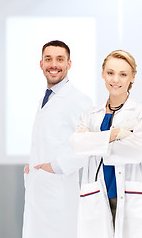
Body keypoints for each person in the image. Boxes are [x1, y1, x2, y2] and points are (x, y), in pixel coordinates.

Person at [70, 50, 142, 238]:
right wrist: (117, 134)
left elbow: (136, 151)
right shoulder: (89, 115)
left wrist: (93, 141)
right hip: (97, 193)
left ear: (132, 77)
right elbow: (77, 145)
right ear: (102, 73)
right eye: (110, 73)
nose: (115, 79)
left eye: (123, 74)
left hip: (128, 193)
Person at [22, 40, 92, 238]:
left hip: (58, 193)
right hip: (40, 189)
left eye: (59, 59)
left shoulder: (78, 100)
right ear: (41, 64)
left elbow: (89, 147)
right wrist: (33, 166)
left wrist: (56, 166)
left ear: (68, 64)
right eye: (48, 59)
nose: (54, 64)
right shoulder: (47, 97)